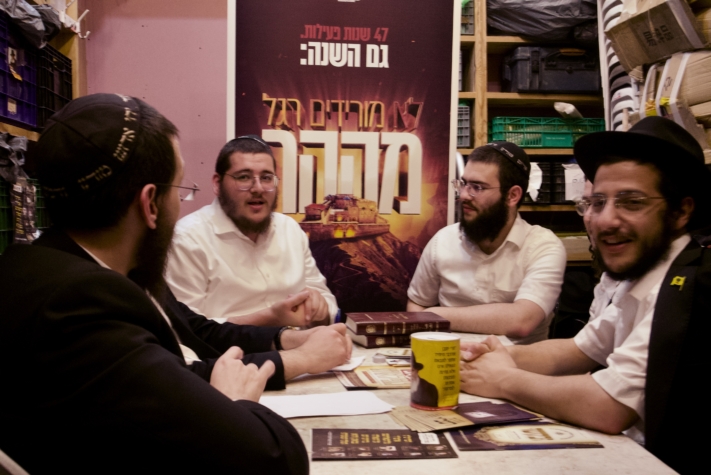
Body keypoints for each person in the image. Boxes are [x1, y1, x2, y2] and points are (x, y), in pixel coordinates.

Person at [0, 94, 350, 474]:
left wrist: (283, 340)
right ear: (150, 203)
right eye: (179, 189)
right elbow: (273, 459)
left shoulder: (63, 268)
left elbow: (196, 333)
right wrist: (235, 403)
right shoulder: (82, 305)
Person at [459, 116, 711, 474]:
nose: (604, 221)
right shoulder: (642, 270)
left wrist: (503, 379)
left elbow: (608, 407)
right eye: (596, 202)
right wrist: (497, 355)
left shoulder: (694, 283)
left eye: (632, 202)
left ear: (682, 211)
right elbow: (579, 350)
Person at [166, 135, 337, 327]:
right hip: (229, 348)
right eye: (244, 177)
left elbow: (327, 304)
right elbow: (184, 330)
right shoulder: (187, 239)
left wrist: (319, 307)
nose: (258, 188)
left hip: (305, 343)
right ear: (217, 183)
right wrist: (271, 319)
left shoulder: (289, 229)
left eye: (266, 178)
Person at [407, 141, 567, 344]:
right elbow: (417, 304)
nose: (464, 195)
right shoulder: (443, 240)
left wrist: (434, 316)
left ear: (512, 195)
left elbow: (522, 321)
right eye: (463, 184)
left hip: (517, 362)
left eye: (477, 187)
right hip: (447, 358)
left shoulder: (543, 247)